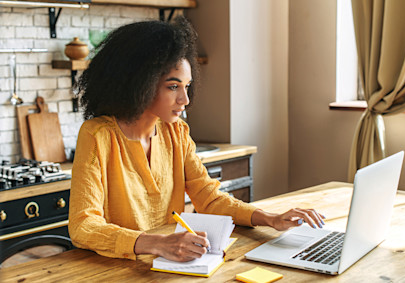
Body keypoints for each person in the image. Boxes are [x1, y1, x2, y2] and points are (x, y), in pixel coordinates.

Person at [68, 16, 325, 263]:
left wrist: (270, 218)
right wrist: (155, 243)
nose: (185, 99)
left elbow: (209, 198)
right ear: (138, 83)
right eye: (173, 87)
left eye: (187, 86)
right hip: (117, 269)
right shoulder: (97, 135)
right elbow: (83, 225)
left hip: (174, 264)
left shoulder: (176, 132)